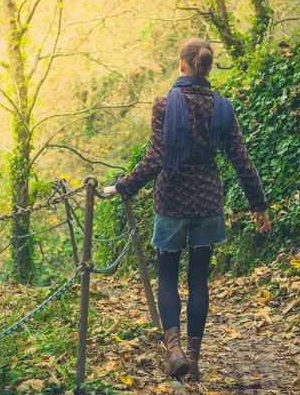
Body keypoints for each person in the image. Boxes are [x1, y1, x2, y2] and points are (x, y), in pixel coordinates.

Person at [103, 38, 270, 381]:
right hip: (207, 205)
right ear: (207, 67)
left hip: (172, 205)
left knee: (167, 277)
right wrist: (259, 204)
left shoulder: (165, 104)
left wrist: (122, 186)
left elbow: (154, 160)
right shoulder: (222, 108)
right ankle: (192, 362)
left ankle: (174, 351)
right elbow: (241, 159)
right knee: (198, 280)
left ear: (182, 65)